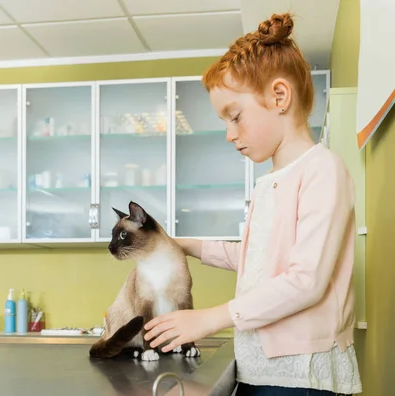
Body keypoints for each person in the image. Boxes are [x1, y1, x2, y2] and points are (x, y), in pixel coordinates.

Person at [143, 12, 362, 396]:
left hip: (298, 378)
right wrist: (184, 245)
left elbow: (304, 281)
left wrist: (210, 319)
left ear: (279, 96)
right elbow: (254, 259)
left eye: (235, 117)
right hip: (259, 371)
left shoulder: (322, 169)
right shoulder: (269, 184)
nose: (229, 135)